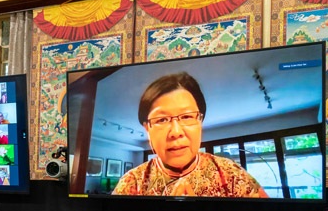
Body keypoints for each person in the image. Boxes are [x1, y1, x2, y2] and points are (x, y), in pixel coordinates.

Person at [112, 72, 268, 197]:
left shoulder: (231, 174)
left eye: (186, 117)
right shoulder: (132, 183)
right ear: (147, 128)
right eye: (162, 119)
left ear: (200, 121)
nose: (176, 132)